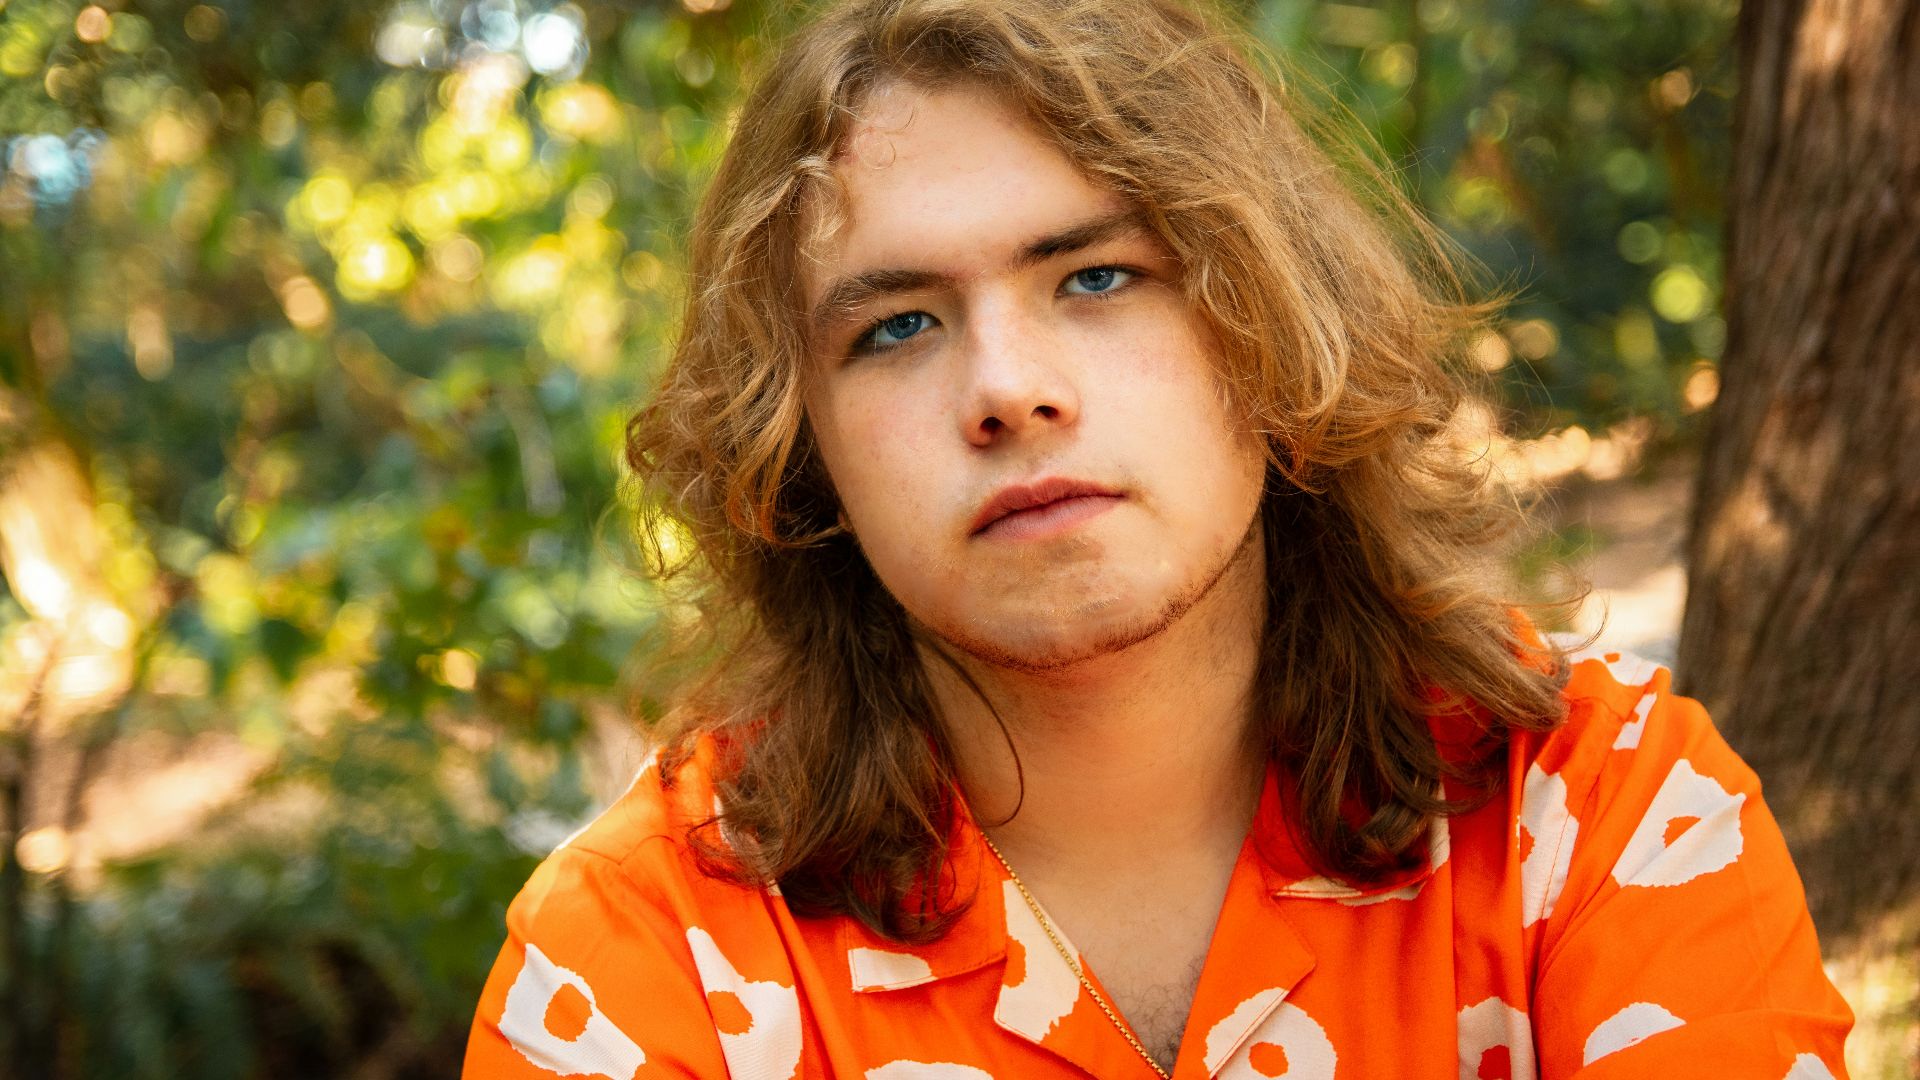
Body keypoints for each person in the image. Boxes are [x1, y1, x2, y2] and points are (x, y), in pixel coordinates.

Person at [462, 0, 1853, 1075]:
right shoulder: (647, 967)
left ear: (1267, 328)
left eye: (1099, 275)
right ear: (801, 446)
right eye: (895, 326)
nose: (1007, 387)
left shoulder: (1601, 818)